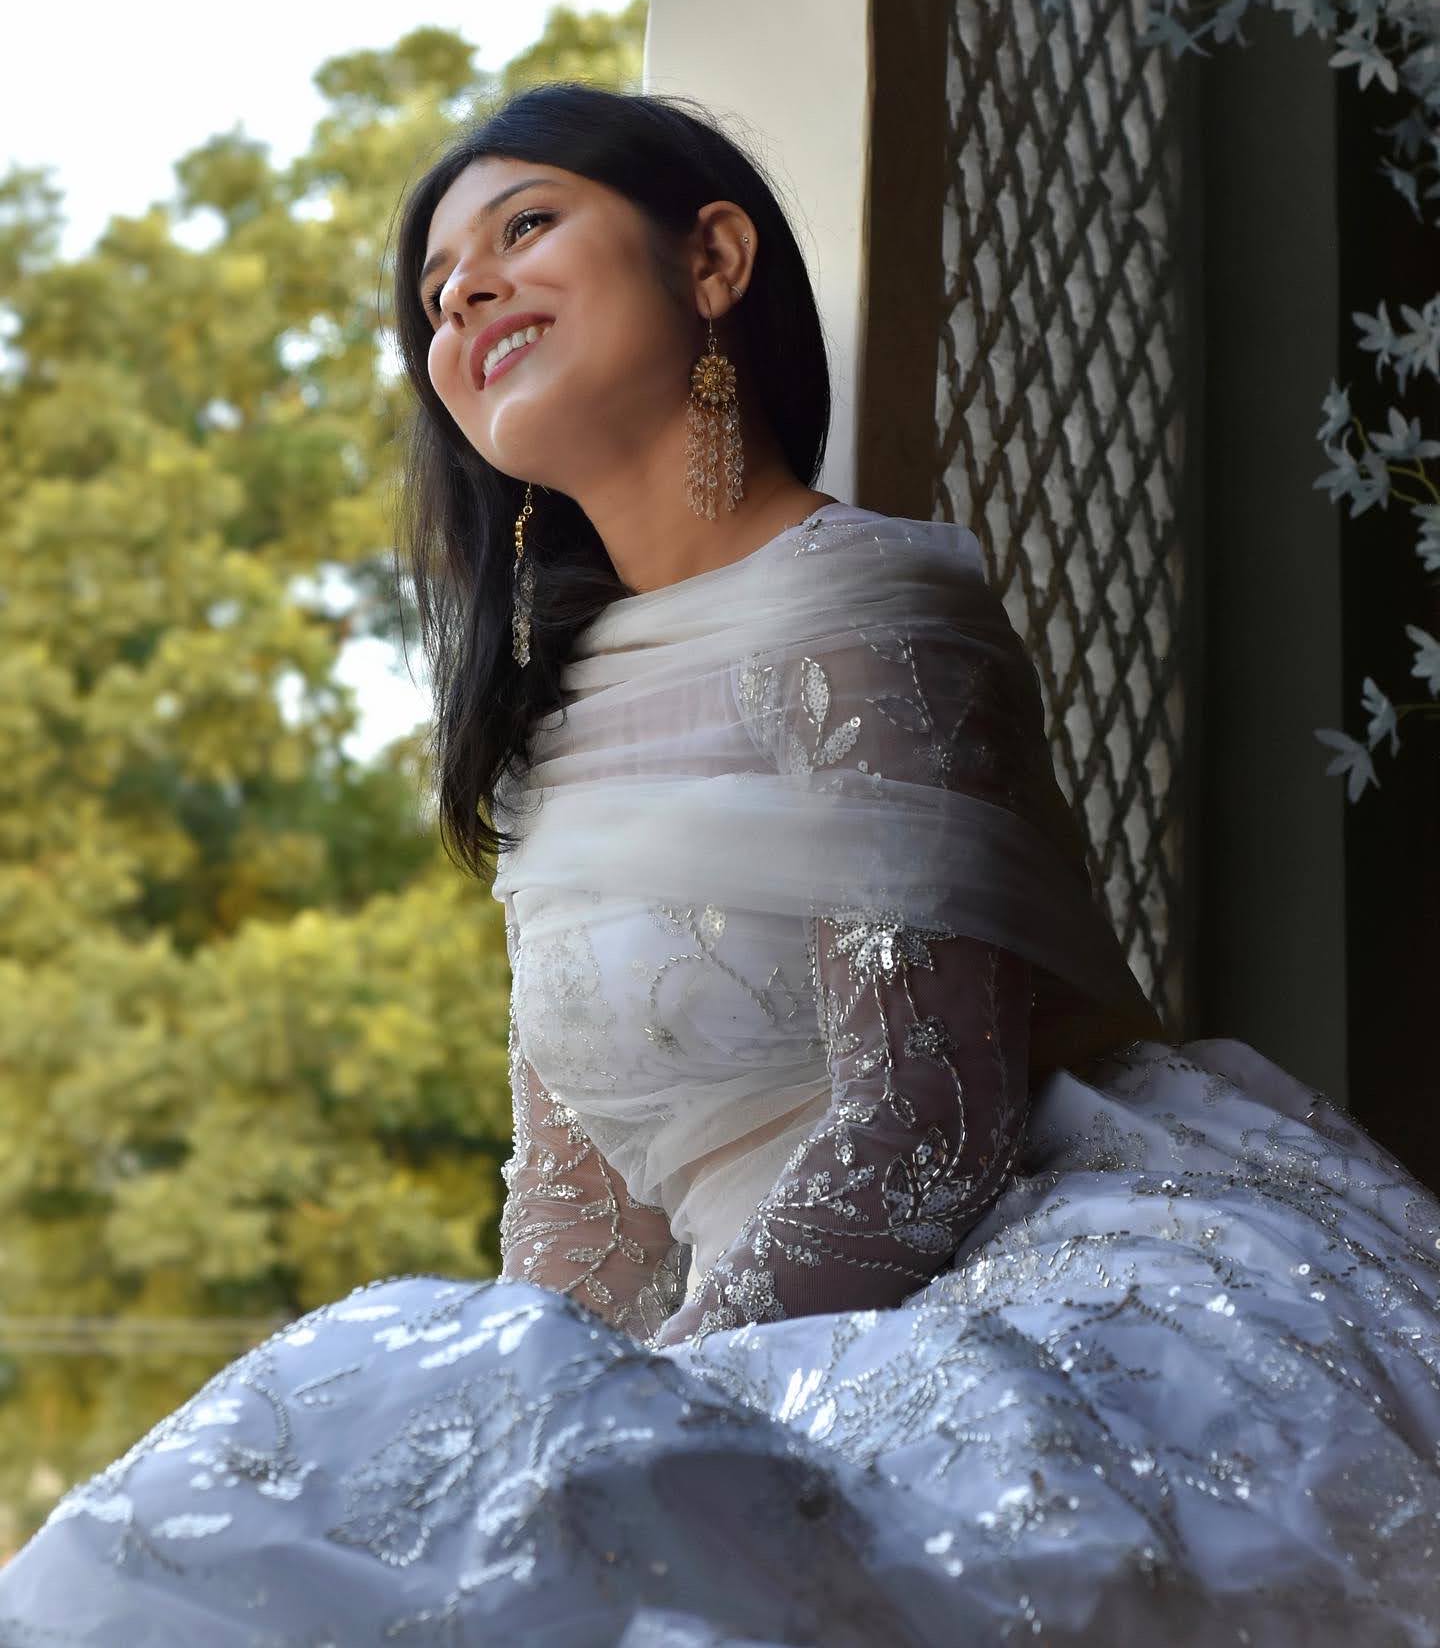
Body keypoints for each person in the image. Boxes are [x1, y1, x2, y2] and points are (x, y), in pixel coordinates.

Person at [1, 81, 1437, 1648]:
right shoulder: (547, 736)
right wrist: (547, 1409)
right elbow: (580, 1217)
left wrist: (652, 1408)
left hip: (1017, 1254)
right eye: (434, 290)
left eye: (525, 226)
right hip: (735, 1322)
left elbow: (925, 1121)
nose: (465, 287)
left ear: (716, 260)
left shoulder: (869, 604)